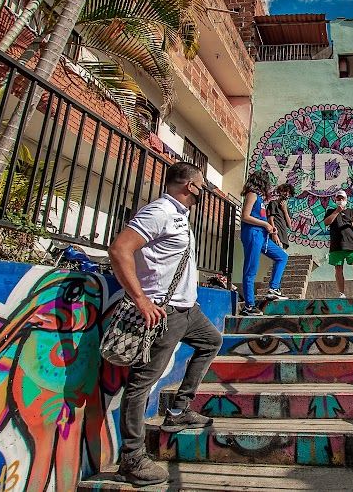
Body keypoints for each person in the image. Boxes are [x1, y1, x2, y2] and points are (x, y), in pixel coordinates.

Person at [108, 162, 223, 486]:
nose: (205, 192)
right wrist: (142, 300)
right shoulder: (158, 211)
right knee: (143, 382)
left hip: (188, 310)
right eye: (203, 185)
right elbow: (119, 249)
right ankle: (132, 458)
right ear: (189, 185)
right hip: (165, 312)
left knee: (211, 341)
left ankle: (179, 410)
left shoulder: (180, 217)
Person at [240, 171, 289, 315]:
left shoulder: (260, 198)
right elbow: (245, 216)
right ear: (262, 181)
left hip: (262, 235)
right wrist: (265, 224)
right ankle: (249, 306)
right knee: (251, 269)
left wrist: (270, 229)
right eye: (268, 182)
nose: (269, 185)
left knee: (282, 256)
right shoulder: (252, 194)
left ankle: (274, 289)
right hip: (253, 234)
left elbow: (259, 218)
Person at [324, 189, 353, 298]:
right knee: (338, 268)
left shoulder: (352, 212)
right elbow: (326, 222)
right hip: (336, 245)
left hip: (351, 244)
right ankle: (341, 293)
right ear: (335, 200)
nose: (340, 200)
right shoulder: (330, 211)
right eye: (338, 198)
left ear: (346, 200)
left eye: (342, 198)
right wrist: (337, 211)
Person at [267, 183, 294, 250]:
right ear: (280, 191)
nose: (287, 194)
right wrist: (274, 234)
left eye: (289, 193)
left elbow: (290, 225)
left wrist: (285, 210)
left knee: (282, 258)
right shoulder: (273, 203)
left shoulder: (286, 208)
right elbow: (270, 220)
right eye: (285, 191)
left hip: (283, 238)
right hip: (276, 237)